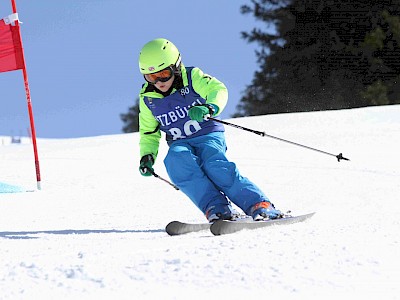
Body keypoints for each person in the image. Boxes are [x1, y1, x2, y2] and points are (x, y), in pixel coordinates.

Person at [137, 38, 282, 222]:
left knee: (215, 166)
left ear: (176, 66)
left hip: (207, 134)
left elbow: (218, 89)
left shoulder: (192, 77)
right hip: (180, 142)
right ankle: (217, 207)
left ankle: (259, 204)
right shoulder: (148, 99)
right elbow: (148, 132)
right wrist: (147, 156)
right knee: (176, 162)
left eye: (164, 74)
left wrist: (209, 107)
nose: (159, 82)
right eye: (151, 77)